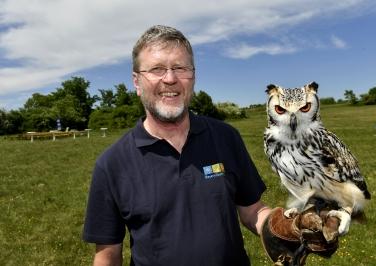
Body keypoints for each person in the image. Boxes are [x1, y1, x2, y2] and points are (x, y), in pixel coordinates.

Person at [83, 25, 340, 266]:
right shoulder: (112, 164)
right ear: (137, 82)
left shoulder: (225, 137)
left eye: (181, 68)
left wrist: (291, 226)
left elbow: (252, 210)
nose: (170, 79)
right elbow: (107, 255)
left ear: (193, 77)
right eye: (157, 69)